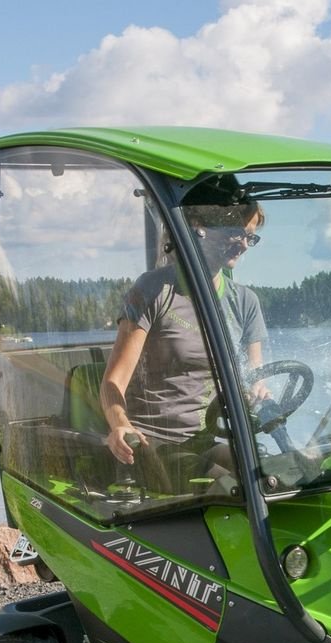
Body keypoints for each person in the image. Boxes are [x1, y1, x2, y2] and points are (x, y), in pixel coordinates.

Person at [99, 189, 266, 486]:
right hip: (151, 443)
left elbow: (255, 377)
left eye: (250, 237)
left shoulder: (245, 302)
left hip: (206, 439)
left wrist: (258, 392)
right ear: (200, 226)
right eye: (236, 233)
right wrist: (120, 425)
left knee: (266, 475)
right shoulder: (154, 290)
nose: (243, 244)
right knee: (226, 487)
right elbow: (112, 383)